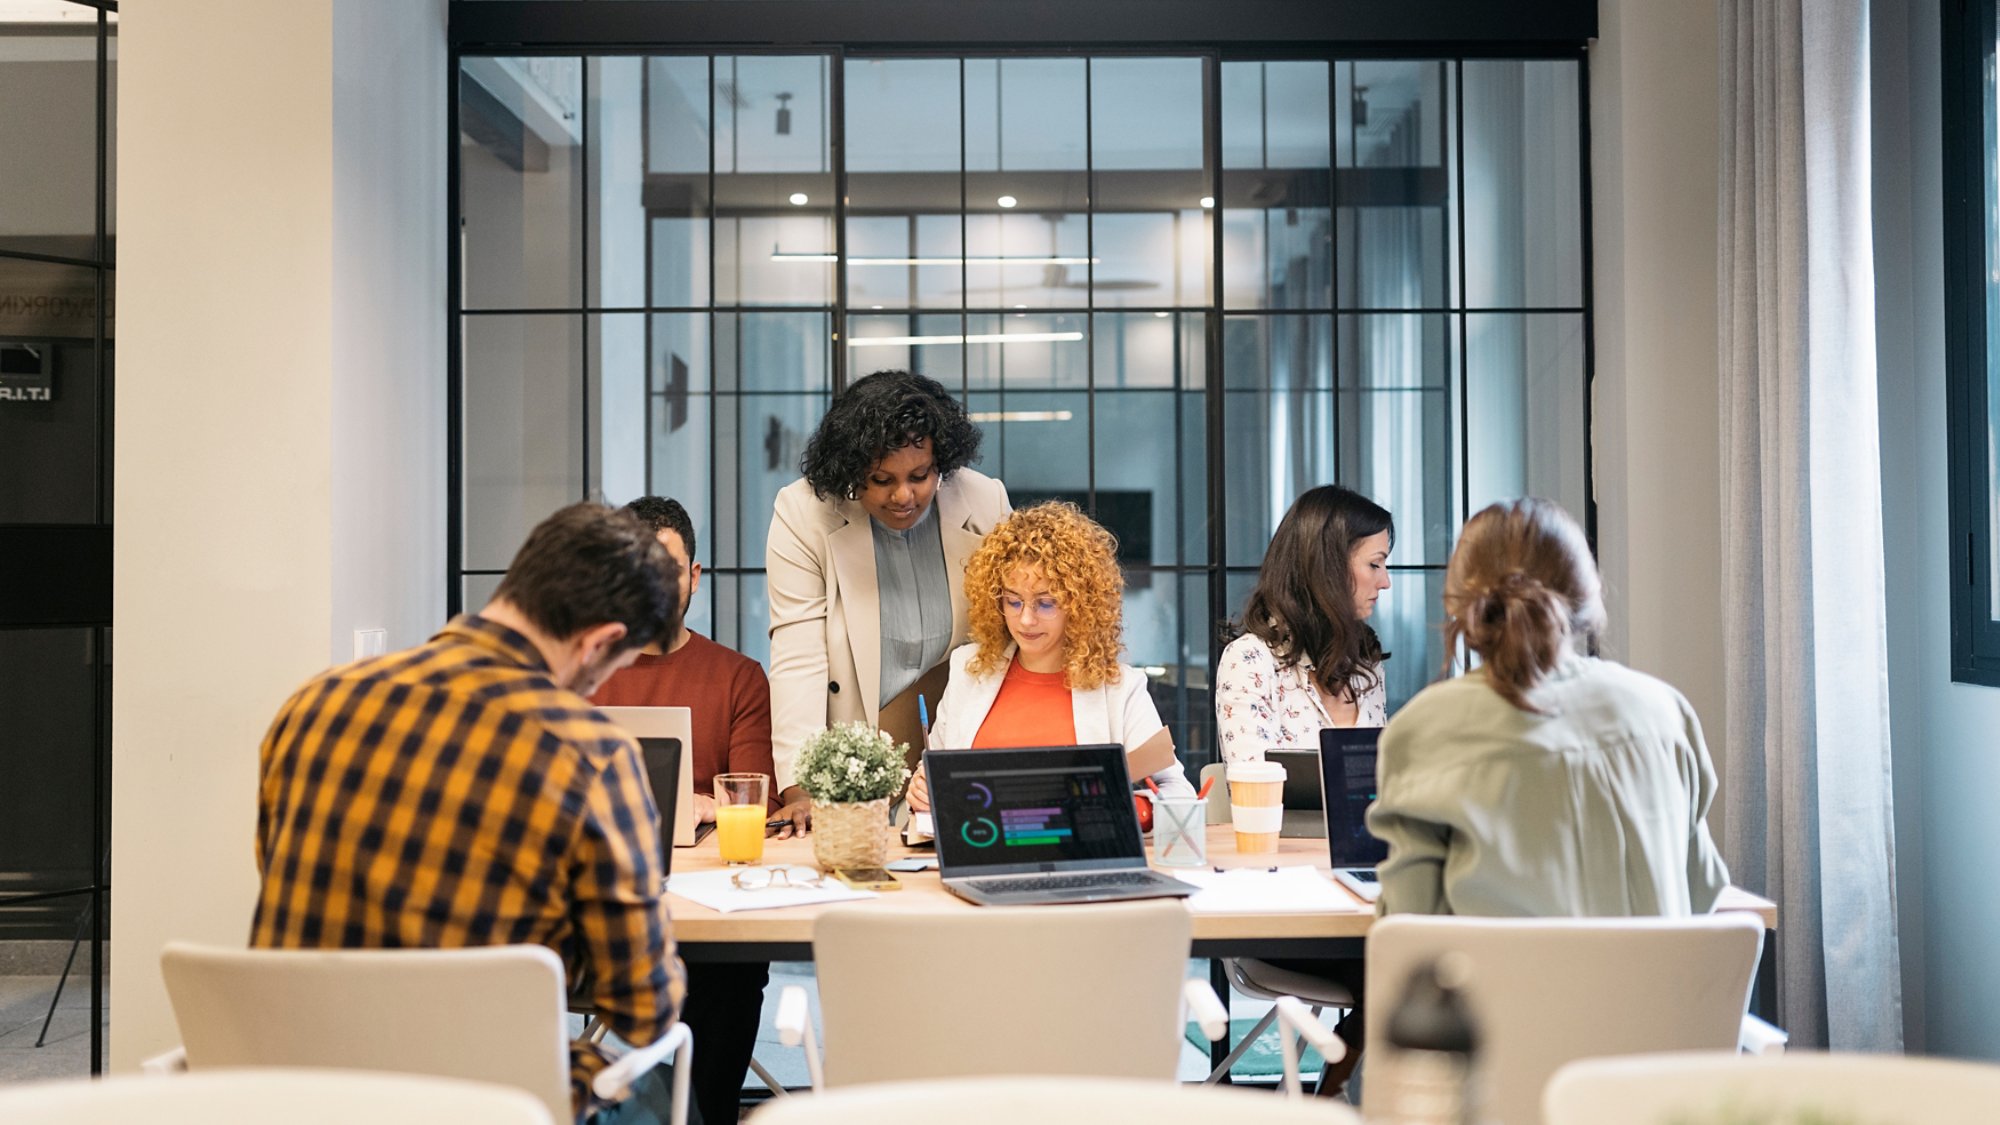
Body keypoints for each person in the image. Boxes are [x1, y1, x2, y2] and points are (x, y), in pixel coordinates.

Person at [251, 503, 689, 1125]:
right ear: (600, 642)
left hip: (303, 1093)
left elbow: (284, 877)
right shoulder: (588, 753)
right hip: (486, 1102)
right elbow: (644, 1009)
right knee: (666, 1089)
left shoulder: (312, 705)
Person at [1369, 496, 1731, 917]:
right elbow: (1702, 898)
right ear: (1587, 594)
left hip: (1497, 983)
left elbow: (1409, 927)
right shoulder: (1666, 713)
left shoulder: (1422, 729)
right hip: (1657, 984)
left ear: (1458, 603)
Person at [766, 369, 1011, 835]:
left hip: (964, 735)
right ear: (851, 472)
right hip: (858, 742)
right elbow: (798, 656)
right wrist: (799, 789)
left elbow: (1016, 632)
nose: (904, 496)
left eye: (921, 476)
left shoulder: (985, 501)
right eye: (881, 479)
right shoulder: (803, 512)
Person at [591, 495, 772, 1125]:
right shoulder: (585, 675)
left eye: (669, 568)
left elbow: (752, 795)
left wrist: (712, 804)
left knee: (729, 969)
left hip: (707, 893)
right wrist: (695, 801)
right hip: (603, 888)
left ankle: (704, 1113)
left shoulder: (738, 676)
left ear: (695, 577)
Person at [907, 501, 1194, 811]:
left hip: (1079, 855)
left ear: (1079, 604)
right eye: (1013, 602)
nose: (1026, 620)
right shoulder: (969, 669)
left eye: (1045, 604)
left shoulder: (1118, 687)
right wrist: (921, 793)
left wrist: (1133, 808)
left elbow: (1177, 790)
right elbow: (932, 776)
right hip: (982, 848)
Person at [1215, 484, 1394, 763]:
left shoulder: (1366, 661)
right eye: (1374, 564)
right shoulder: (1251, 660)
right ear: (1328, 566)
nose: (1385, 582)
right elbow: (1252, 791)